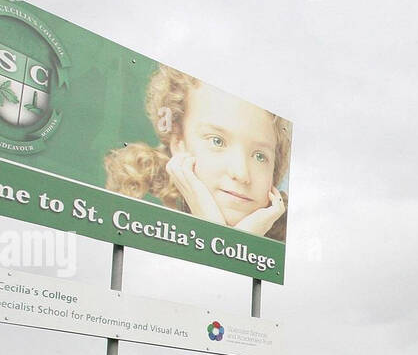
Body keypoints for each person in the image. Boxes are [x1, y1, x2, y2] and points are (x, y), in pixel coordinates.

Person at [105, 65, 291, 241]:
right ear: (178, 141)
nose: (241, 173)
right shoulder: (135, 216)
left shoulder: (290, 246)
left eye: (260, 156)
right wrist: (224, 241)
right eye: (217, 141)